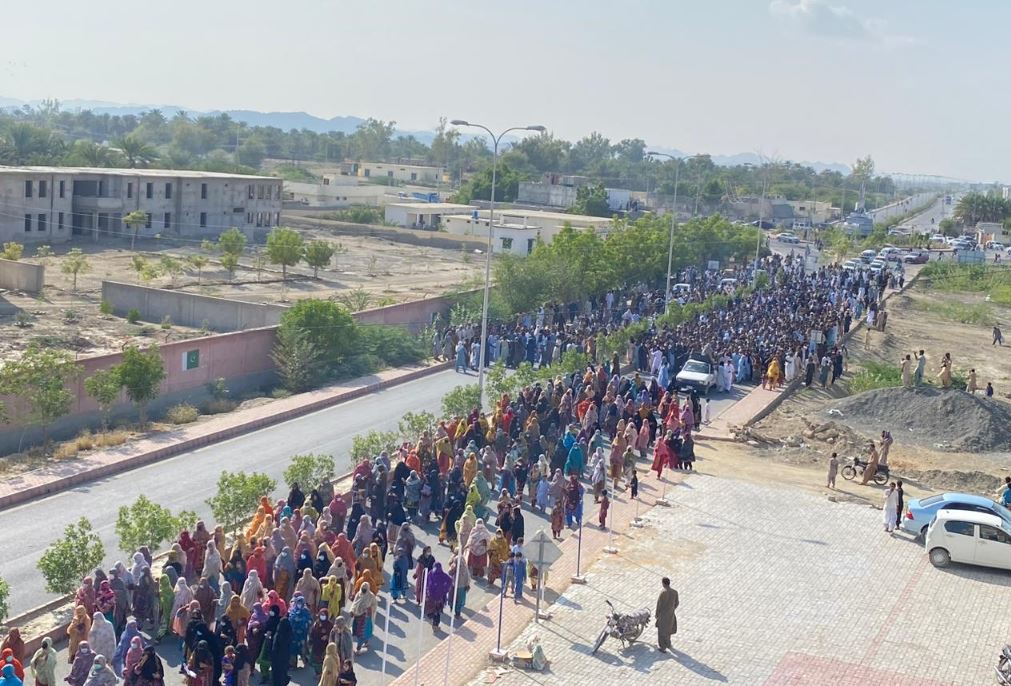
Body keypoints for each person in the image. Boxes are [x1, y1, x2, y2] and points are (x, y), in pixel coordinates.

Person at [655, 577, 679, 653]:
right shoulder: (675, 592)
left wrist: (657, 614)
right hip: (671, 614)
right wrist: (672, 609)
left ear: (663, 583)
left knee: (661, 631)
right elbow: (677, 603)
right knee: (669, 629)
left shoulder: (663, 593)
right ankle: (668, 644)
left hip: (663, 615)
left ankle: (663, 647)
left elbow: (659, 605)